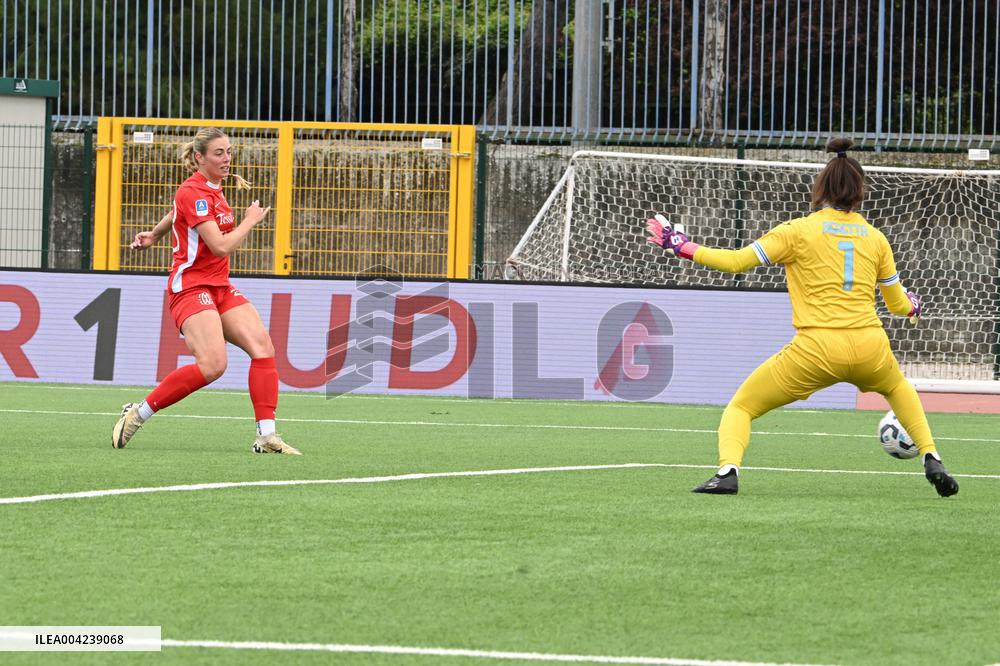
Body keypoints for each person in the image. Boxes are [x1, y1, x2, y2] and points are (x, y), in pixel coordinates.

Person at [646, 138, 956, 497]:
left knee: (742, 406)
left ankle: (727, 472)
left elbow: (736, 263)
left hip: (817, 349)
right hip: (870, 345)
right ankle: (931, 456)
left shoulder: (797, 231)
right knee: (898, 387)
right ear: (861, 193)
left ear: (820, 188)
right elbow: (897, 304)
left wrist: (681, 246)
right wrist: (913, 305)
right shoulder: (876, 238)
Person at [111, 127, 301, 455]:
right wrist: (250, 221)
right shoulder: (194, 191)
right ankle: (139, 413)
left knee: (263, 348)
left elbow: (176, 211)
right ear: (200, 158)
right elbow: (221, 245)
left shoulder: (211, 189)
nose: (227, 158)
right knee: (213, 365)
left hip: (220, 287)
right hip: (191, 287)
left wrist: (155, 234)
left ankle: (267, 437)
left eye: (228, 151)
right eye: (219, 153)